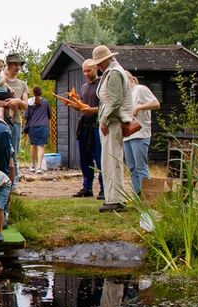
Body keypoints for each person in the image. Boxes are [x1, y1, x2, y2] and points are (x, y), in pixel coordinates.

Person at [89, 45, 141, 212]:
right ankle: (112, 197)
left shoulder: (115, 73)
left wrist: (103, 120)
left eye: (99, 62)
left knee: (113, 161)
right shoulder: (111, 72)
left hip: (114, 122)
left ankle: (117, 199)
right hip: (110, 121)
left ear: (105, 60)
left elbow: (115, 101)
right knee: (108, 161)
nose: (98, 66)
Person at [0, 53, 28, 193]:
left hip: (14, 123)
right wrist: (5, 103)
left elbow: (26, 105)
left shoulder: (22, 84)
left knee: (13, 155)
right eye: (15, 64)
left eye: (19, 65)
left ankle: (13, 186)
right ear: (8, 65)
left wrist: (17, 101)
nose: (18, 67)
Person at [65, 60, 105, 199]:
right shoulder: (83, 87)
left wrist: (92, 110)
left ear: (96, 68)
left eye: (89, 70)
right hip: (84, 126)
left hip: (98, 126)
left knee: (100, 158)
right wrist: (71, 104)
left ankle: (104, 189)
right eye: (84, 71)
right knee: (85, 159)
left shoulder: (102, 85)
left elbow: (107, 107)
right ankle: (87, 188)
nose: (87, 73)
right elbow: (81, 106)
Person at [124, 71, 160, 195]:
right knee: (132, 168)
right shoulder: (125, 95)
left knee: (140, 167)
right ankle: (138, 194)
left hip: (140, 133)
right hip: (127, 135)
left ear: (131, 79)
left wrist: (138, 108)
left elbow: (155, 103)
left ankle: (148, 196)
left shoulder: (140, 89)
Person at [23, 86, 50, 174]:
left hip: (32, 126)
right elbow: (49, 115)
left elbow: (26, 116)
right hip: (43, 126)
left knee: (33, 145)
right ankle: (39, 167)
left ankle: (32, 165)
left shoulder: (29, 102)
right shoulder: (45, 102)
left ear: (33, 93)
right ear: (41, 92)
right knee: (41, 146)